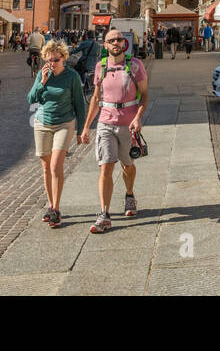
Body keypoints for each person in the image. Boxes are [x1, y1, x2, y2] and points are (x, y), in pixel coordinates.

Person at [79, 30, 149, 232]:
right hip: (105, 122)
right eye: (112, 40)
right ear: (105, 45)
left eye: (119, 39)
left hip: (128, 124)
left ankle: (129, 194)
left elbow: (144, 95)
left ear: (124, 44)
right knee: (106, 167)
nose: (116, 42)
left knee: (128, 165)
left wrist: (138, 117)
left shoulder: (135, 65)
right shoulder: (101, 66)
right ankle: (104, 214)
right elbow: (95, 98)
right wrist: (86, 127)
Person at [27, 38, 87, 228]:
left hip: (64, 123)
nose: (52, 63)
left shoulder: (72, 77)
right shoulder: (42, 74)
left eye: (56, 60)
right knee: (46, 168)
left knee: (55, 166)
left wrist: (81, 129)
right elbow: (31, 98)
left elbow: (79, 104)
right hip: (42, 123)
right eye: (49, 60)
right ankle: (51, 206)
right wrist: (42, 82)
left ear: (63, 58)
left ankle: (57, 209)